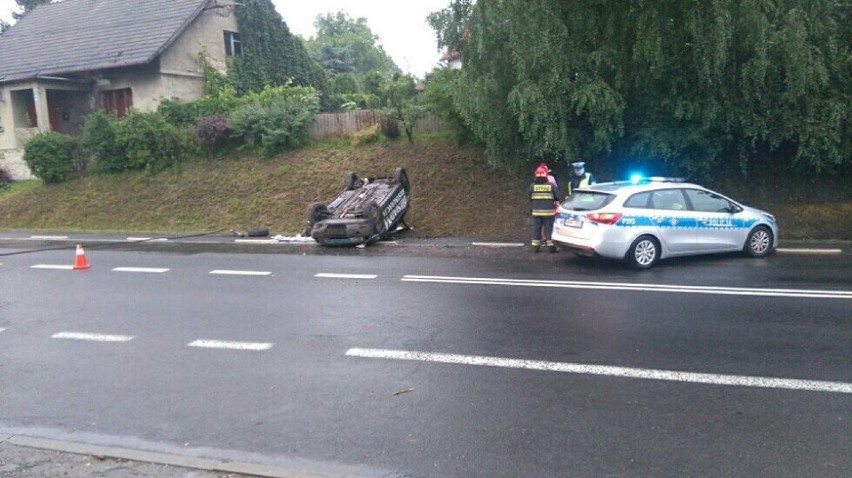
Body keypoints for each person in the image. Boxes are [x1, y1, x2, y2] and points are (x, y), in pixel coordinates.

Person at [529, 164, 564, 253]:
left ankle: (535, 248)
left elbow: (529, 197)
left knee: (536, 229)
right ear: (546, 175)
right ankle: (551, 248)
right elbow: (558, 197)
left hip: (536, 212)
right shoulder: (551, 186)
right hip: (549, 213)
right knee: (549, 230)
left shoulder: (532, 186)